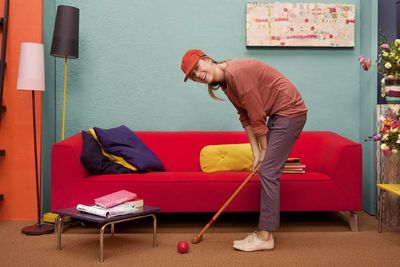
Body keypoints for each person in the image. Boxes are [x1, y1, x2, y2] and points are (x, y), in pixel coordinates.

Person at [180, 49, 308, 252]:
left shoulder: (237, 73)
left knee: (268, 171)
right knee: (266, 168)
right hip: (278, 114)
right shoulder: (225, 82)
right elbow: (245, 116)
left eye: (197, 68)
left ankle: (265, 237)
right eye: (193, 76)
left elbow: (257, 115)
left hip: (289, 112)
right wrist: (256, 152)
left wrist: (264, 148)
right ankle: (264, 233)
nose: (198, 75)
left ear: (207, 59)